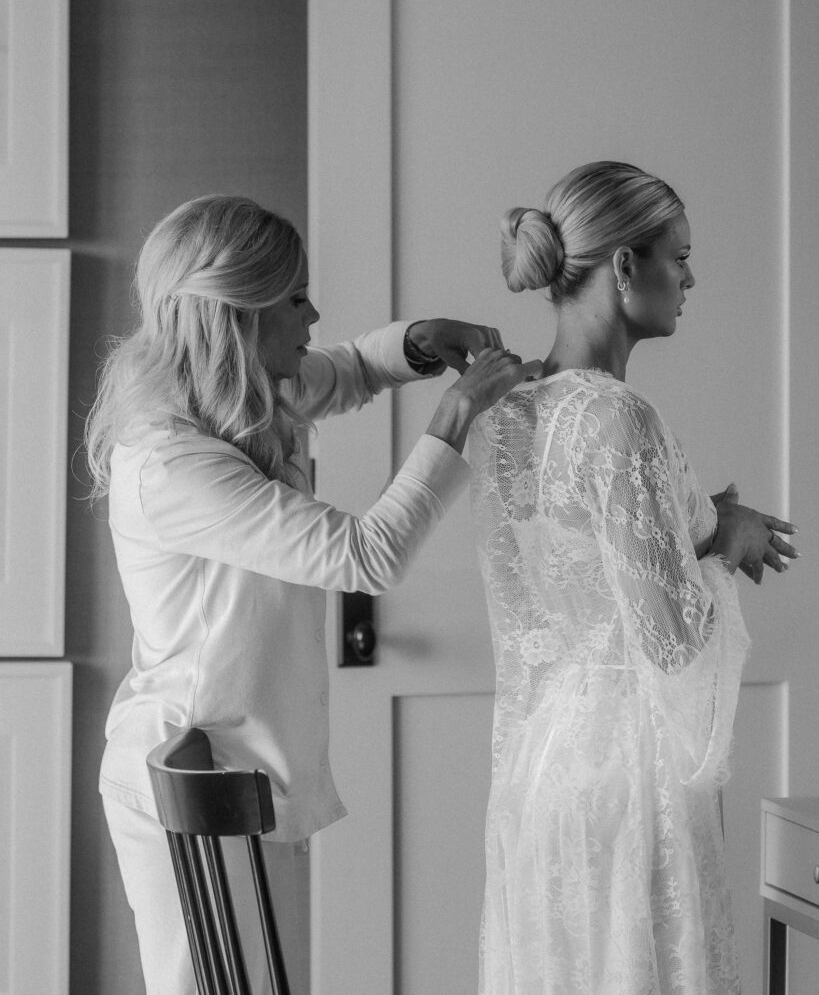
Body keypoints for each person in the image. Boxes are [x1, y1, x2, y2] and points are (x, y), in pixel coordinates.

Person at [85, 193, 542, 995]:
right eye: (295, 296)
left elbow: (352, 367)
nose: (315, 311)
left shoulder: (246, 396)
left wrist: (419, 341)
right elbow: (367, 556)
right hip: (180, 762)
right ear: (238, 313)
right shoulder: (174, 463)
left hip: (219, 755)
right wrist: (460, 412)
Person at [468, 161, 798, 995]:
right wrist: (728, 537)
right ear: (623, 266)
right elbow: (668, 636)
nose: (689, 277)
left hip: (542, 771)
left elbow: (569, 582)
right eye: (677, 257)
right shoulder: (617, 415)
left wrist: (699, 523)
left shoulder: (510, 414)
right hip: (627, 773)